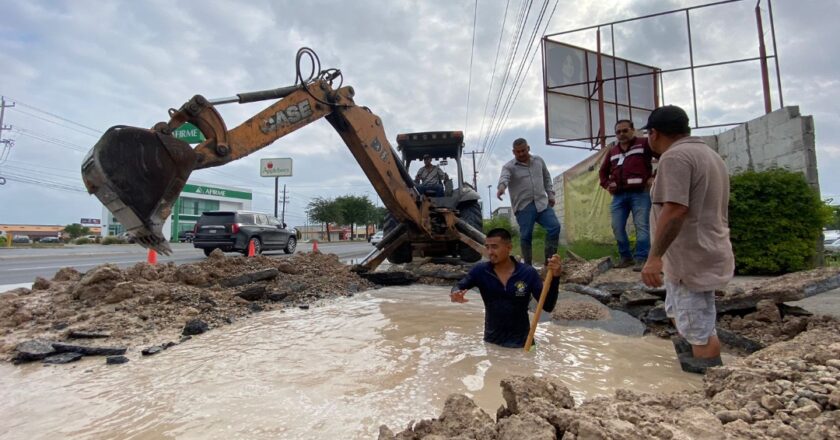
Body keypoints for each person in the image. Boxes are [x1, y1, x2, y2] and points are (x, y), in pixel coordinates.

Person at [640, 105, 734, 374]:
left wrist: (654, 257)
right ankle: (686, 366)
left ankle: (705, 383)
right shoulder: (708, 154)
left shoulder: (675, 158)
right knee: (679, 313)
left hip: (691, 258)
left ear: (654, 133)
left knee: (699, 329)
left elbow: (676, 209)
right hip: (699, 253)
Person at [450, 228, 562, 348]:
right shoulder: (480, 271)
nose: (490, 252)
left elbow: (548, 306)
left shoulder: (528, 273)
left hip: (523, 344)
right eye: (487, 247)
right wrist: (455, 293)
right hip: (492, 344)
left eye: (494, 247)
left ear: (509, 248)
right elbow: (459, 285)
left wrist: (555, 278)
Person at [599, 119, 655, 272]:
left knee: (641, 226)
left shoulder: (644, 143)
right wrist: (607, 184)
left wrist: (654, 177)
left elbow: (664, 157)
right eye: (618, 132)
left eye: (625, 130)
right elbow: (602, 172)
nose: (621, 134)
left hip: (640, 193)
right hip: (619, 196)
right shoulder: (612, 151)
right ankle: (626, 258)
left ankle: (642, 259)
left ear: (632, 130)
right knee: (617, 227)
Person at [497, 138, 561, 266]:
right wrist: (501, 188)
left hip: (542, 203)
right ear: (513, 152)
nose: (521, 154)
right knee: (526, 236)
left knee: (554, 227)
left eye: (523, 150)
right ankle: (527, 266)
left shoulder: (538, 161)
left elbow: (547, 178)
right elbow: (504, 177)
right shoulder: (509, 167)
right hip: (524, 206)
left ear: (528, 148)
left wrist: (551, 195)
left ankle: (549, 263)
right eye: (518, 152)